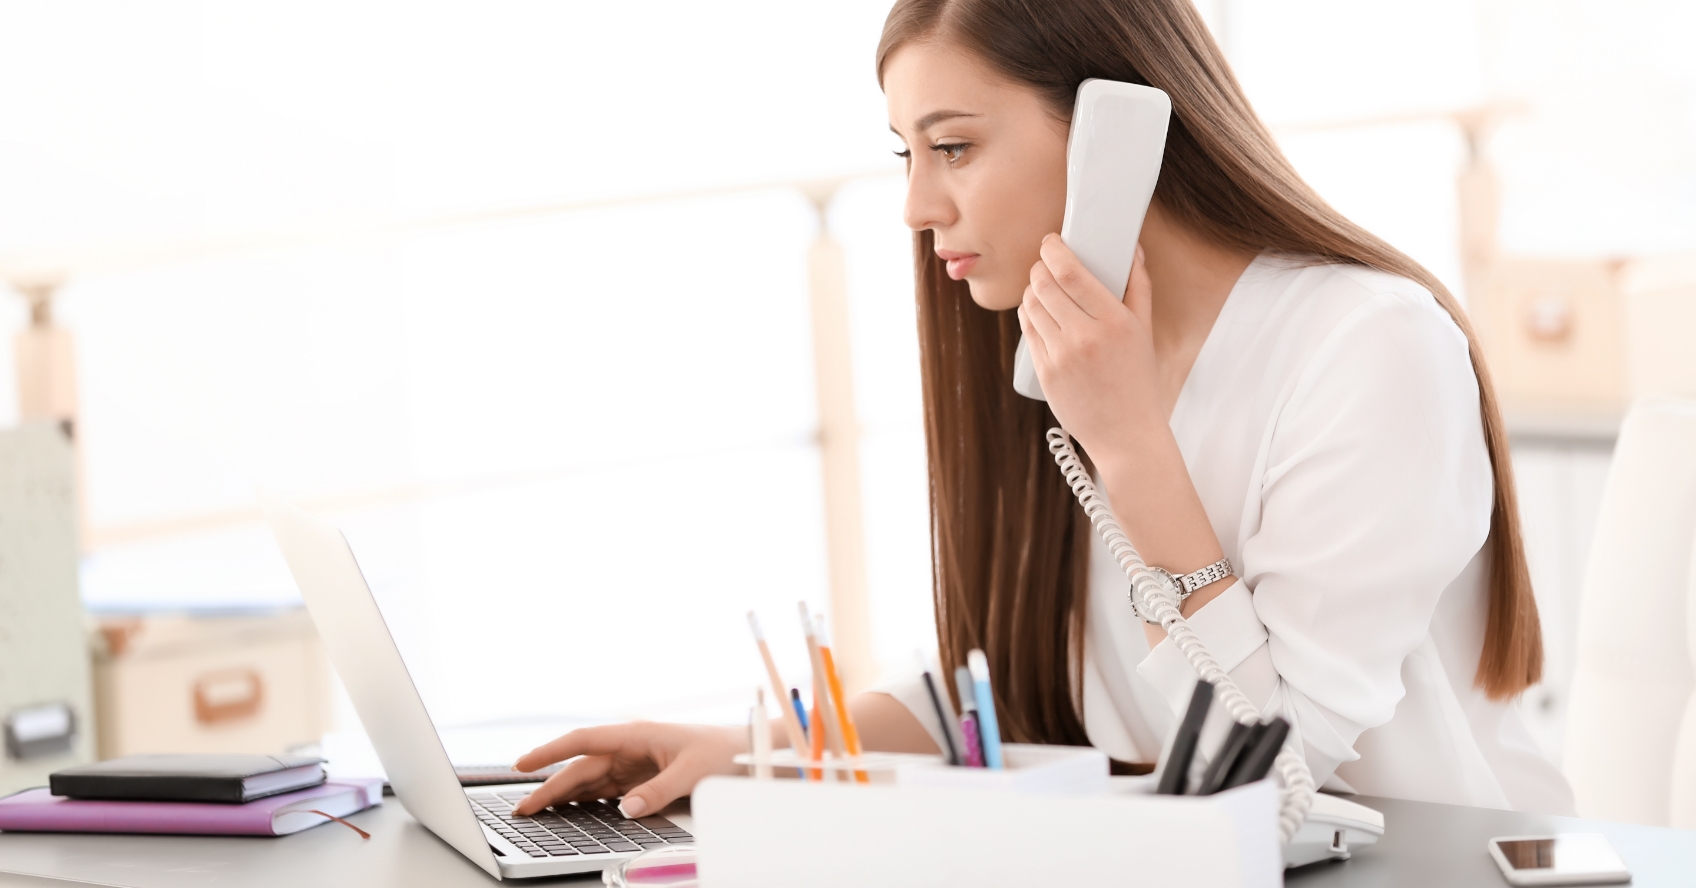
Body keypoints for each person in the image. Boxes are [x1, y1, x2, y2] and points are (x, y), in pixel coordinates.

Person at [511, 0, 1575, 819]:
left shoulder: (1366, 346)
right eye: (907, 154)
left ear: (1122, 128)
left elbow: (1273, 768)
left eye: (955, 147)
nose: (920, 208)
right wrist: (754, 752)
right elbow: (1004, 692)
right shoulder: (1051, 346)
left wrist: (1129, 448)